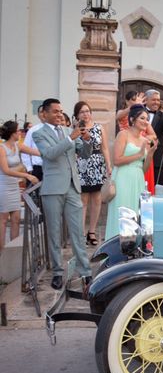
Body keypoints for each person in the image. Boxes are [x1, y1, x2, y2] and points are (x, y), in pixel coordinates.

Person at [32, 98, 92, 290]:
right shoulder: (39, 134)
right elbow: (49, 154)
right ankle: (57, 272)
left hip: (73, 187)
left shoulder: (68, 131)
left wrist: (86, 140)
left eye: (61, 111)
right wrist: (71, 138)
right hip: (52, 189)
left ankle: (85, 272)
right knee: (55, 232)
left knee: (77, 232)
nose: (59, 114)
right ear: (45, 114)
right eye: (55, 111)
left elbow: (84, 154)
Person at [105, 105, 156, 239]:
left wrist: (149, 154)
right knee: (123, 212)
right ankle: (116, 243)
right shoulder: (123, 135)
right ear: (133, 119)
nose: (146, 122)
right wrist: (139, 154)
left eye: (147, 119)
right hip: (123, 177)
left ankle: (132, 247)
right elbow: (116, 160)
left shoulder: (145, 140)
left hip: (138, 178)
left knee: (135, 213)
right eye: (142, 118)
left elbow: (143, 169)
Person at [73, 101, 111, 246]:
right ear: (77, 115)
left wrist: (108, 165)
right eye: (82, 112)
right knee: (83, 200)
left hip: (97, 164)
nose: (86, 114)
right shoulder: (75, 129)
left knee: (96, 199)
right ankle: (81, 233)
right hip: (81, 165)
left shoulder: (99, 127)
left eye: (88, 111)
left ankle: (92, 232)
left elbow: (105, 148)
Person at [0, 121, 39, 254]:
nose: (21, 133)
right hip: (3, 186)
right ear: (12, 133)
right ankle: (2, 253)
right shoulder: (2, 148)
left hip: (14, 186)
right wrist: (26, 175)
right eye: (18, 131)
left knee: (16, 219)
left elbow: (37, 152)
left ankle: (13, 253)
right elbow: (5, 170)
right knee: (3, 221)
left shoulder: (18, 146)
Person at [117, 91, 157, 194]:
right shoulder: (123, 113)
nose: (136, 102)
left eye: (137, 100)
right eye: (133, 100)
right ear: (127, 101)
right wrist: (134, 106)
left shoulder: (143, 119)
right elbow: (118, 117)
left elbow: (153, 135)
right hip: (125, 149)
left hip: (140, 158)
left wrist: (141, 139)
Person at [145, 89, 163, 186]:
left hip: (157, 158)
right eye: (153, 100)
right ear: (146, 100)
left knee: (156, 186)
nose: (156, 102)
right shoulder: (139, 113)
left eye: (158, 100)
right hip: (139, 155)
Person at [21, 105, 45, 181]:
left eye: (45, 111)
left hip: (53, 168)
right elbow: (25, 150)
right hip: (37, 168)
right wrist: (29, 167)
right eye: (41, 112)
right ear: (38, 115)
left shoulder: (56, 129)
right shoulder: (33, 130)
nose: (44, 113)